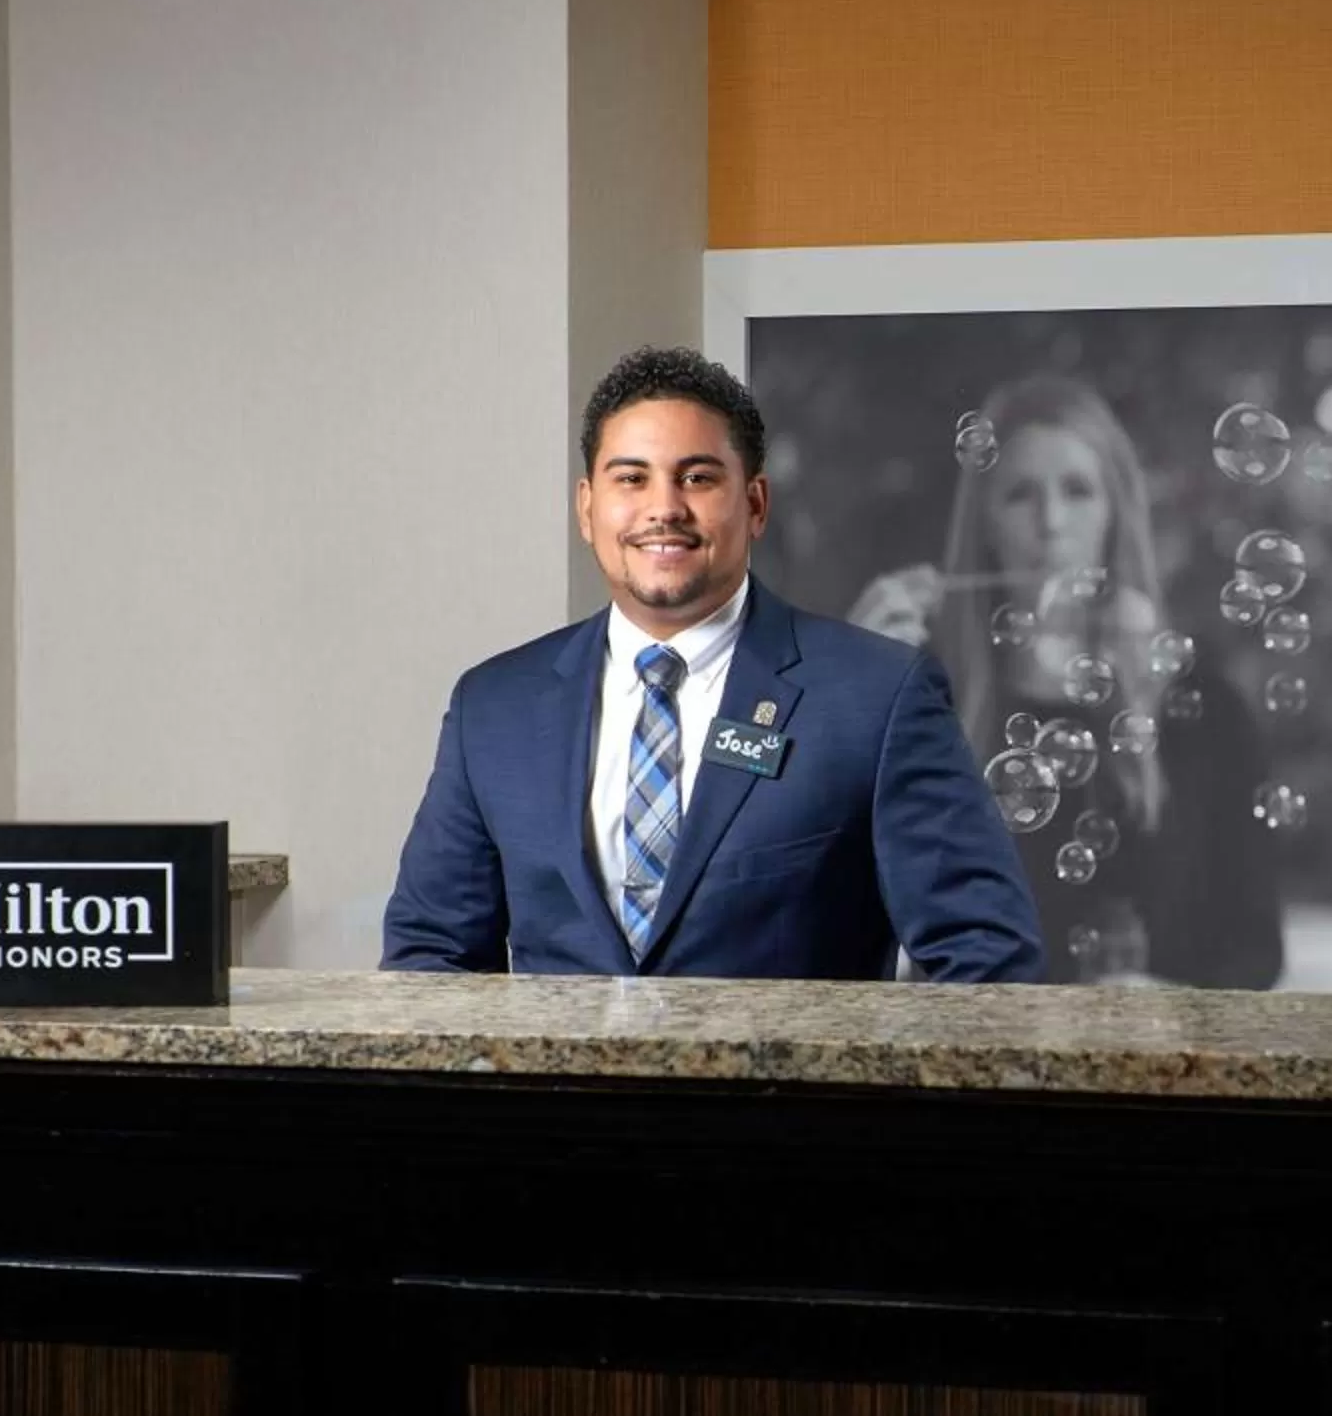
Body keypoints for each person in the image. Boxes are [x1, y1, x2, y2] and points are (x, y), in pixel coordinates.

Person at [381, 346, 1043, 981]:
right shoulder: (493, 708)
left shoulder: (878, 698)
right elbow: (430, 959)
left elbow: (987, 961)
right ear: (588, 508)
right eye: (631, 479)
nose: (663, 508)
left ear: (754, 505)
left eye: (697, 478)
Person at [847, 374, 1284, 988]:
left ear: (1114, 515)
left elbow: (1255, 955)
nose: (1050, 522)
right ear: (985, 527)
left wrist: (1169, 1009)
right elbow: (832, 920)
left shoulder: (1205, 714)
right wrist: (848, 703)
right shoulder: (925, 711)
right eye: (1020, 494)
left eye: (1077, 491)